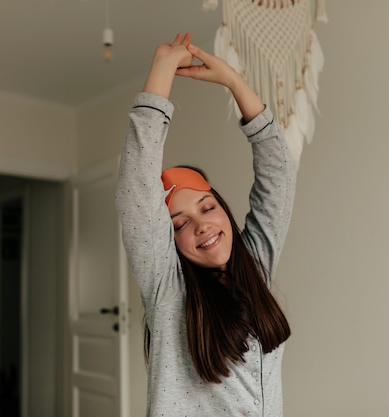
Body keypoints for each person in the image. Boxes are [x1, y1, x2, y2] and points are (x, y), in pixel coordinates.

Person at [116, 32, 297, 417]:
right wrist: (163, 68)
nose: (202, 225)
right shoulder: (168, 290)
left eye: (207, 206)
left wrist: (234, 81)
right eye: (180, 223)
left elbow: (278, 173)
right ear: (168, 239)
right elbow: (136, 185)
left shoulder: (255, 265)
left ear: (224, 209)